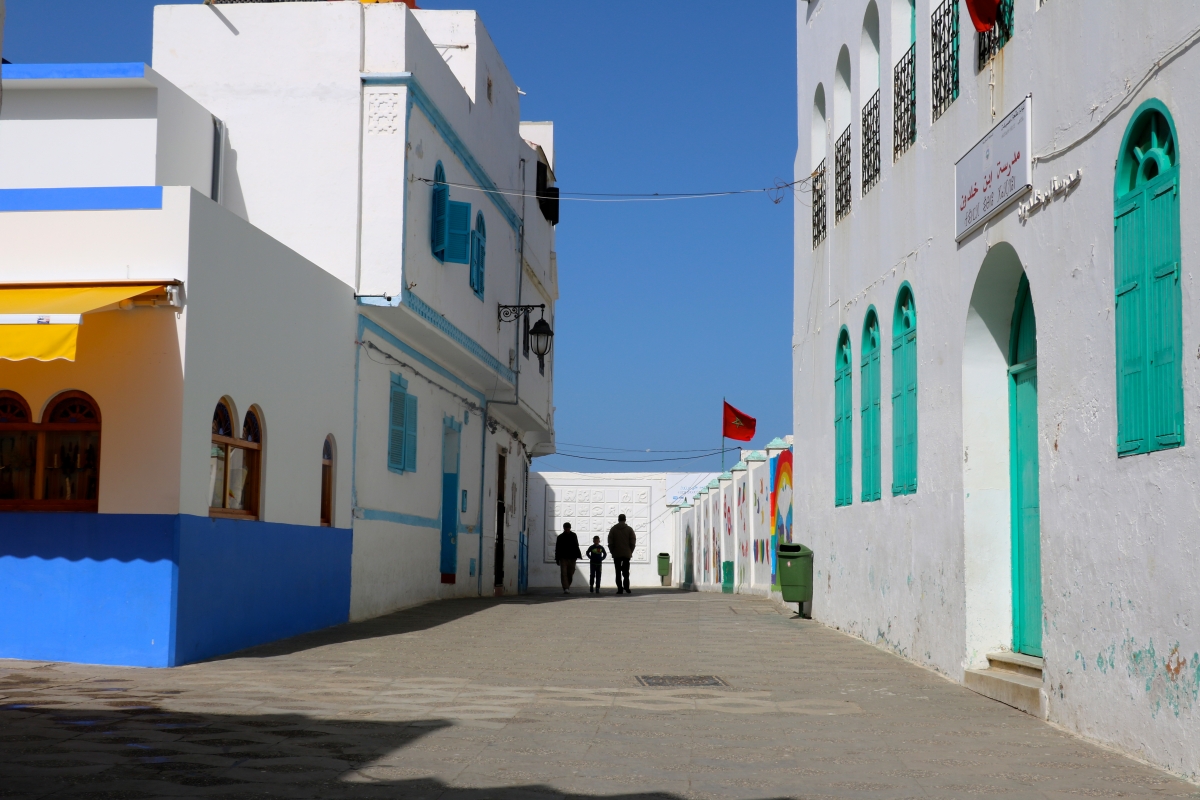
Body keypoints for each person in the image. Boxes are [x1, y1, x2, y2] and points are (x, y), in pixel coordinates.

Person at [607, 513, 636, 595]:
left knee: (618, 572)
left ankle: (620, 589)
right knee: (626, 572)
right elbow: (633, 542)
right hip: (626, 553)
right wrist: (630, 551)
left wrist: (613, 551)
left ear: (618, 519)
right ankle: (627, 587)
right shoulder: (629, 529)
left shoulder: (613, 529)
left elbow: (610, 542)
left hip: (616, 554)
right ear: (625, 519)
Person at [554, 522, 582, 594]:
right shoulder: (560, 537)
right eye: (566, 528)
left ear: (570, 528)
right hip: (563, 557)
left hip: (572, 557)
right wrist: (557, 558)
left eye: (568, 528)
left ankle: (567, 585)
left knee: (570, 572)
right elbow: (557, 548)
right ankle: (566, 587)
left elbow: (576, 545)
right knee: (564, 573)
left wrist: (577, 555)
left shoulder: (573, 535)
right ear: (564, 528)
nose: (567, 529)